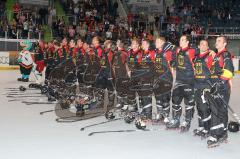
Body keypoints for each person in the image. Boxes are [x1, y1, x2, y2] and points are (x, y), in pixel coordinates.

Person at [207, 36, 234, 147]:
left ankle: (215, 135)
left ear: (224, 44)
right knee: (221, 111)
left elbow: (229, 72)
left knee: (217, 111)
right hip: (216, 87)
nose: (216, 42)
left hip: (221, 88)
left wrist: (218, 85)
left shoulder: (225, 54)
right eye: (216, 40)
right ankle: (222, 134)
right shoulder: (216, 56)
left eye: (219, 41)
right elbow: (214, 72)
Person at [166, 35, 196, 132]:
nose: (180, 41)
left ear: (187, 42)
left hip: (189, 81)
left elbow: (202, 53)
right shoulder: (178, 50)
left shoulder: (192, 50)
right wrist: (172, 62)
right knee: (175, 101)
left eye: (183, 40)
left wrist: (211, 51)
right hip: (179, 80)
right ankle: (176, 120)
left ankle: (187, 121)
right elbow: (173, 59)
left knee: (189, 103)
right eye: (180, 39)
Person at [193, 40, 215, 138]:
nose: (204, 46)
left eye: (206, 44)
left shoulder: (210, 56)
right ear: (199, 46)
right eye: (202, 44)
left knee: (204, 108)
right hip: (197, 86)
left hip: (206, 86)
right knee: (199, 108)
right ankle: (201, 126)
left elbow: (216, 70)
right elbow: (195, 72)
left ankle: (207, 129)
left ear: (208, 47)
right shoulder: (196, 58)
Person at [153, 36, 174, 123]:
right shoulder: (156, 53)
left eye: (157, 42)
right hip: (157, 79)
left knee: (165, 98)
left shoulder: (168, 52)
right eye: (155, 42)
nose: (155, 43)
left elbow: (171, 67)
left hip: (166, 79)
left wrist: (171, 79)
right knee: (158, 97)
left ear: (162, 43)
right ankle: (159, 114)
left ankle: (166, 115)